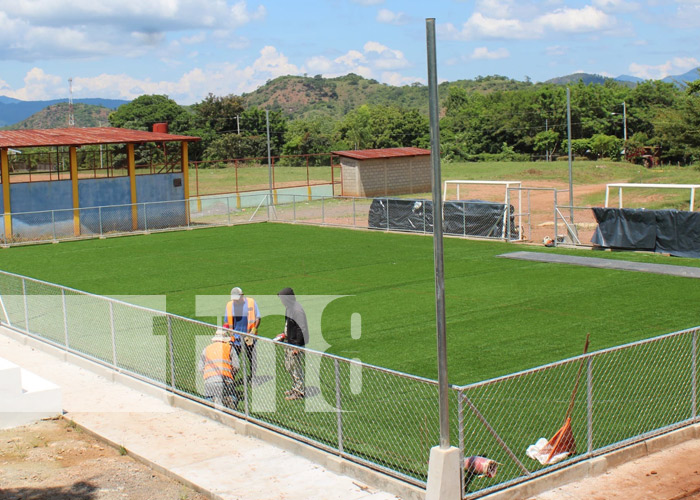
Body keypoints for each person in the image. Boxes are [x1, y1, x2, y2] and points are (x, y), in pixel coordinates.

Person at [276, 287, 308, 400]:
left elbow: (302, 329)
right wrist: (283, 334)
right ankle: (295, 387)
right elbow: (289, 325)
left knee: (296, 368)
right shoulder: (289, 308)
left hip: (295, 344)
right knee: (290, 367)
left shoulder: (297, 310)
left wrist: (297, 346)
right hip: (289, 342)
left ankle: (299, 391)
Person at [223, 287, 261, 382]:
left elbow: (258, 318)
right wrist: (224, 331)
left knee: (252, 358)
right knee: (233, 361)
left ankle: (253, 377)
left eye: (237, 299)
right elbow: (227, 322)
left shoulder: (251, 302)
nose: (235, 301)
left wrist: (254, 330)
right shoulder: (229, 305)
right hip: (235, 339)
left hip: (249, 338)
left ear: (241, 296)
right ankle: (230, 379)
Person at [198, 328, 240, 408]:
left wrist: (208, 375)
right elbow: (236, 366)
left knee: (209, 401)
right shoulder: (229, 348)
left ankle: (212, 403)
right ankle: (229, 404)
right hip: (226, 380)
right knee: (232, 397)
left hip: (209, 381)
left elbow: (200, 368)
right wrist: (231, 374)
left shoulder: (207, 349)